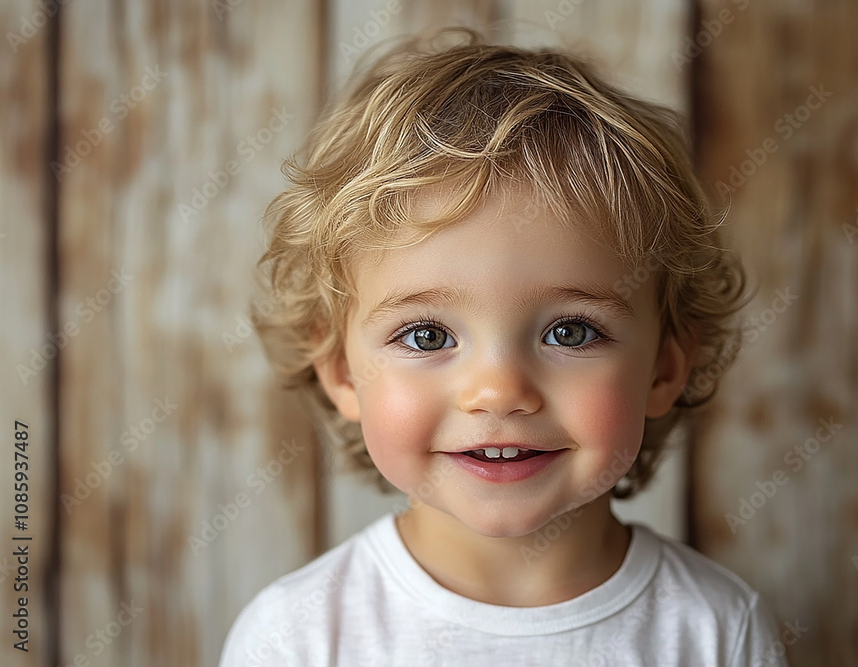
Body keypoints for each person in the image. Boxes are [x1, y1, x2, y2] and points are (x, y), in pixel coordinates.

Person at [219, 25, 788, 667]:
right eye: (427, 335)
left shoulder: (715, 630)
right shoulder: (295, 637)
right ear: (342, 373)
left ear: (663, 368)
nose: (499, 391)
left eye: (570, 332)